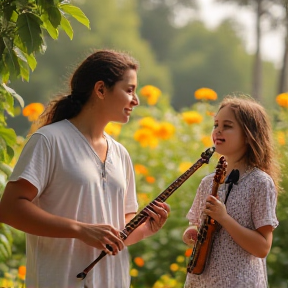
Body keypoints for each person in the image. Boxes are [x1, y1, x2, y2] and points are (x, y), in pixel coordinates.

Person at [0, 49, 170, 288]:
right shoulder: (49, 141)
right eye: (129, 90)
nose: (136, 100)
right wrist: (79, 230)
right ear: (100, 90)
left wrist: (146, 228)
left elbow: (119, 230)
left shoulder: (121, 154)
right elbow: (9, 208)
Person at [182, 95, 280, 288]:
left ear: (249, 134)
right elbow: (197, 225)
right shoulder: (207, 182)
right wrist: (191, 232)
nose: (218, 130)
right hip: (202, 282)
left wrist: (224, 218)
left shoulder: (260, 183)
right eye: (215, 124)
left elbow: (262, 247)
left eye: (227, 126)